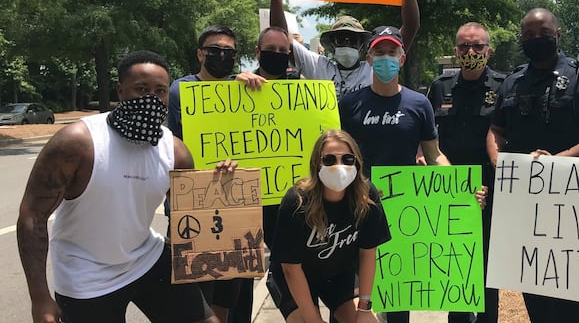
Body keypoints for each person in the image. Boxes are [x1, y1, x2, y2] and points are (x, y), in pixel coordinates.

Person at [17, 50, 225, 323]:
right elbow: (33, 215)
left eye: (160, 91)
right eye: (141, 89)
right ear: (121, 90)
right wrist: (40, 298)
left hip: (145, 258)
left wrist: (221, 182)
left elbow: (192, 215)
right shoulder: (78, 143)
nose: (151, 98)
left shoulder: (175, 151)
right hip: (86, 275)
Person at [486, 8, 579, 323]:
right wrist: (499, 160)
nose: (534, 40)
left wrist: (559, 161)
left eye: (541, 33)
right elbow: (496, 131)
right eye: (527, 35)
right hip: (526, 205)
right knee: (534, 292)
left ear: (557, 35)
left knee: (569, 297)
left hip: (573, 206)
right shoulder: (513, 81)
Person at [339, 26, 451, 323]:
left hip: (402, 212)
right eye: (379, 52)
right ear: (369, 58)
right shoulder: (349, 105)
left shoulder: (419, 104)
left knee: (398, 297)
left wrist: (460, 189)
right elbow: (338, 159)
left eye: (392, 53)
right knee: (350, 299)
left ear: (402, 59)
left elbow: (434, 155)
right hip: (356, 209)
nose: (386, 58)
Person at [168, 25, 262, 323]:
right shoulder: (180, 90)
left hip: (237, 203)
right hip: (195, 203)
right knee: (198, 294)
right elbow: (173, 147)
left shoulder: (242, 89)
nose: (222, 56)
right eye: (215, 50)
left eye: (229, 52)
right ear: (200, 53)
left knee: (236, 292)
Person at [267, 130, 390, 323]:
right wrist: (313, 319)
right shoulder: (296, 202)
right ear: (317, 163)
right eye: (329, 160)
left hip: (340, 275)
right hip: (296, 276)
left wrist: (365, 310)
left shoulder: (367, 197)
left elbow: (368, 254)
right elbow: (290, 268)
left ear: (356, 162)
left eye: (347, 159)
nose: (339, 166)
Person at [426, 22, 505, 323]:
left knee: (488, 269)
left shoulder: (504, 86)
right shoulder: (439, 87)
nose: (470, 52)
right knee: (454, 266)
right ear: (456, 50)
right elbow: (428, 137)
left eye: (477, 47)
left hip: (492, 190)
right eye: (463, 47)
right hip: (449, 189)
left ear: (489, 50)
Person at [266, 0, 419, 100]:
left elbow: (411, 26)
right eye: (341, 39)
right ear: (332, 45)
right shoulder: (318, 67)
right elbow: (281, 36)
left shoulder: (373, 68)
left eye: (353, 39)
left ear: (362, 46)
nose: (347, 43)